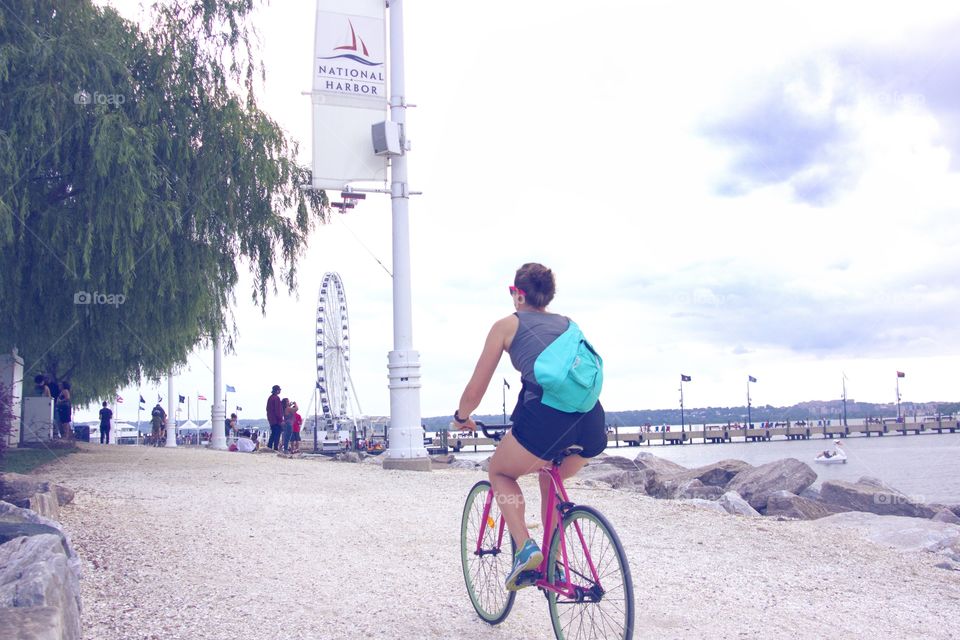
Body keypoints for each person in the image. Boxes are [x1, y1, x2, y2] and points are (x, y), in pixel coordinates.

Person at [454, 263, 606, 592]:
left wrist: (461, 415)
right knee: (549, 476)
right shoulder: (570, 325)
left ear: (518, 294)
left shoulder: (506, 325)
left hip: (546, 420)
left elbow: (475, 392)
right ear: (547, 296)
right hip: (592, 422)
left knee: (501, 473)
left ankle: (525, 547)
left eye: (513, 294)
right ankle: (554, 565)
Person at [266, 385, 283, 451]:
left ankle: (269, 446)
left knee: (273, 434)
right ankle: (275, 448)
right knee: (277, 434)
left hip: (271, 419)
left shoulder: (270, 398)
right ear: (277, 390)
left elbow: (268, 409)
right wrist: (280, 419)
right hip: (276, 420)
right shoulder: (276, 398)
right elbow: (277, 410)